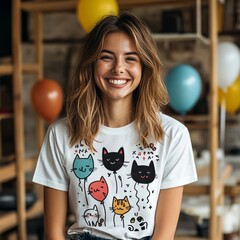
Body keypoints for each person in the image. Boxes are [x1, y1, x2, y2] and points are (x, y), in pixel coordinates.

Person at [33, 12, 197, 240]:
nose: (118, 68)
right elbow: (53, 234)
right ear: (91, 64)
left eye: (131, 58)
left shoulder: (173, 135)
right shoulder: (60, 134)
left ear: (144, 66)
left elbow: (164, 235)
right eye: (106, 57)